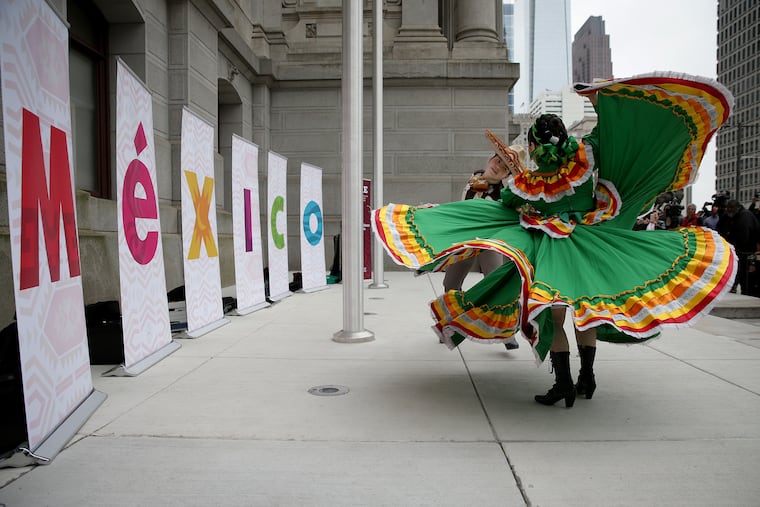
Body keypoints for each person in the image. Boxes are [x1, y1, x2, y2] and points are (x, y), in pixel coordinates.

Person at [372, 72, 736, 408]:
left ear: (534, 146)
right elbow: (602, 140)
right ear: (564, 138)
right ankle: (587, 378)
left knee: (556, 317)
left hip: (551, 255)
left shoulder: (527, 184)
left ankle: (564, 384)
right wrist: (600, 97)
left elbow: (506, 203)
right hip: (587, 244)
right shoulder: (585, 161)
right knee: (587, 313)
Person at [442, 148, 528, 350]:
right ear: (491, 159)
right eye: (497, 161)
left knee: (496, 284)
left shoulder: (505, 193)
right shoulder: (473, 178)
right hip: (465, 239)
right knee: (451, 284)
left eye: (505, 167)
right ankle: (450, 325)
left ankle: (506, 333)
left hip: (490, 243)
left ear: (507, 175)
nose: (498, 167)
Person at [717, 199, 760, 294]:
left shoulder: (745, 216)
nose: (728, 210)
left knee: (745, 277)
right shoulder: (729, 216)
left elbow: (744, 236)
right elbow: (720, 229)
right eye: (727, 208)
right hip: (736, 250)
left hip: (745, 251)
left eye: (731, 208)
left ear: (736, 208)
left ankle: (745, 290)